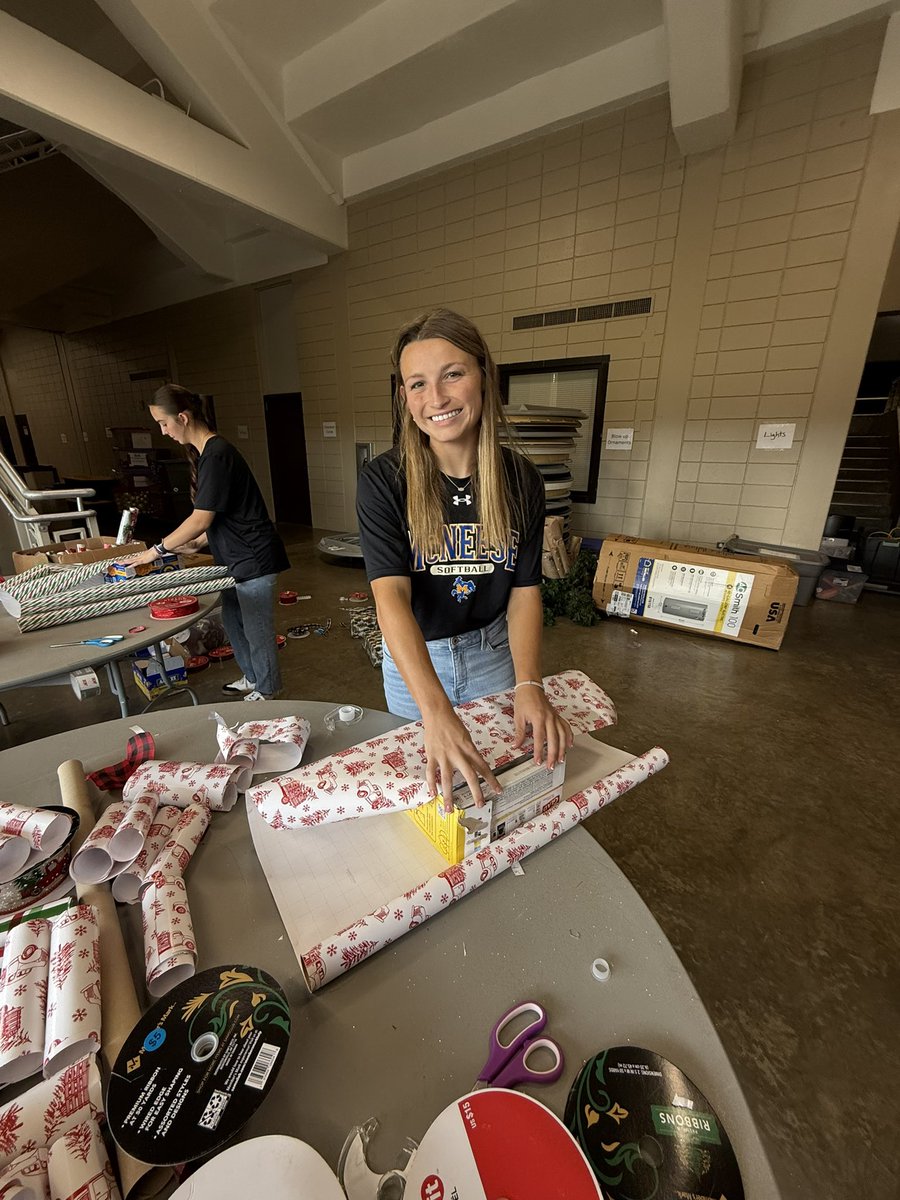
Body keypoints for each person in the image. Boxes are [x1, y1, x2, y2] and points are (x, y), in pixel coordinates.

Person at [356, 307, 573, 808]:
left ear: (484, 376)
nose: (436, 398)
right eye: (418, 384)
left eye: (452, 374)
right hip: (415, 663)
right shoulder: (384, 481)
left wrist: (529, 682)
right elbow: (390, 599)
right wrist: (434, 710)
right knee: (428, 798)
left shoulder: (521, 480)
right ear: (404, 397)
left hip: (495, 655)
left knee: (504, 790)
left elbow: (524, 591)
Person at [131, 384, 289, 701]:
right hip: (233, 559)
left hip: (254, 558)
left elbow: (200, 518)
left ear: (183, 418)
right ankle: (253, 677)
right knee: (233, 621)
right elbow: (223, 515)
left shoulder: (217, 454)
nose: (163, 432)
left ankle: (267, 690)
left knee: (256, 629)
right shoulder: (208, 455)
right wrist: (198, 543)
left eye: (164, 423)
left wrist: (156, 550)